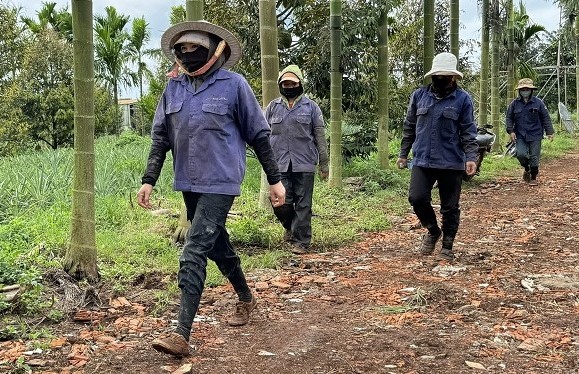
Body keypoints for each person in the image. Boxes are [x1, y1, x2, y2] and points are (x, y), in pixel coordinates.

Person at [136, 21, 286, 357]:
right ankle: (247, 298)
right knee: (218, 245)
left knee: (195, 248)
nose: (188, 55)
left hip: (221, 180)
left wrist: (275, 180)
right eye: (182, 50)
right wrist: (148, 179)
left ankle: (181, 333)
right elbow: (160, 138)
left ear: (215, 51)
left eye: (195, 49)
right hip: (188, 181)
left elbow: (259, 135)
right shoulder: (172, 90)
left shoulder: (234, 85)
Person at [396, 52, 478, 261]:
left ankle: (447, 245)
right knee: (416, 197)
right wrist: (403, 154)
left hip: (451, 161)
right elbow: (410, 127)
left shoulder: (463, 99)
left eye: (445, 76)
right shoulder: (419, 96)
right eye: (437, 75)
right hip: (423, 159)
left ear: (453, 77)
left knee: (450, 206)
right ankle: (433, 230)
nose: (441, 79)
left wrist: (471, 157)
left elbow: (468, 130)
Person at [264, 65, 329, 254]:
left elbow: (320, 137)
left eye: (292, 83)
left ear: (300, 84)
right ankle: (291, 227)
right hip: (279, 164)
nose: (289, 86)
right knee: (280, 202)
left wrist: (324, 164)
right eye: (285, 83)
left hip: (305, 162)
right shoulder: (272, 107)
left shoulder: (311, 107)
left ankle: (302, 241)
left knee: (303, 203)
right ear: (280, 85)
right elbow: (262, 135)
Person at [506, 78, 554, 186]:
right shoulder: (514, 104)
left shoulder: (539, 103)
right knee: (520, 154)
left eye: (527, 89)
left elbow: (546, 118)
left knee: (534, 156)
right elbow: (509, 118)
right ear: (519, 91)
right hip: (520, 134)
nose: (525, 91)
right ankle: (526, 168)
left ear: (531, 90)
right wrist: (511, 131)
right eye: (523, 89)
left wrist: (549, 132)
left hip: (535, 134)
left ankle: (533, 177)